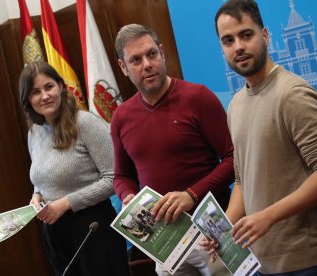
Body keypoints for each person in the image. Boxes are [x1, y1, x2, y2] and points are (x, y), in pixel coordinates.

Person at [205, 0, 317, 275]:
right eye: (228, 40)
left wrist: (267, 217)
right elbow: (243, 179)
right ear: (222, 49)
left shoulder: (293, 94)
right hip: (259, 261)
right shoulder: (235, 105)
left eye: (246, 35)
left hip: (307, 262)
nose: (238, 47)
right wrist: (225, 230)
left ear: (266, 35)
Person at [111, 23, 234, 276]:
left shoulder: (198, 97)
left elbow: (234, 160)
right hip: (165, 240)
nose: (147, 64)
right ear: (123, 67)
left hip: (213, 232)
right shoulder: (121, 117)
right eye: (135, 60)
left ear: (162, 52)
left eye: (151, 54)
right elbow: (122, 176)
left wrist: (191, 194)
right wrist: (128, 196)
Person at [18, 61, 130, 276]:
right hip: (55, 232)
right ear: (28, 99)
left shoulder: (86, 123)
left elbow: (113, 178)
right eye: (35, 92)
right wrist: (36, 196)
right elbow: (40, 179)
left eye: (49, 87)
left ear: (61, 86)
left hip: (92, 228)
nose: (44, 96)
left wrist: (66, 203)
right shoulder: (34, 132)